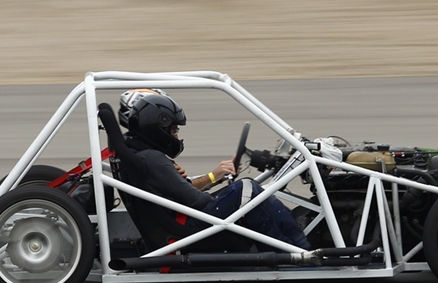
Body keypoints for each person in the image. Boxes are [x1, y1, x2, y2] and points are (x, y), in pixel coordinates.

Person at [116, 90, 310, 251]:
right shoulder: (153, 159)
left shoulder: (140, 154)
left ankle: (294, 246)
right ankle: (297, 250)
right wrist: (227, 199)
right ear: (159, 128)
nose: (176, 137)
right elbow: (195, 200)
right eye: (174, 131)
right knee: (247, 190)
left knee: (249, 195)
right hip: (183, 231)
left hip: (177, 224)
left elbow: (180, 192)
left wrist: (217, 183)